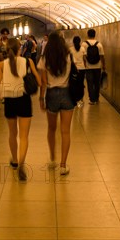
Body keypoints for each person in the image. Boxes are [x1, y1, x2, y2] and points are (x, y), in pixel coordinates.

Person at [0, 38, 40, 181]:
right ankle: (22, 163)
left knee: (12, 133)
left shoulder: (1, 65)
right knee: (24, 136)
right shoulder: (28, 62)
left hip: (9, 101)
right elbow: (39, 81)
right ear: (19, 49)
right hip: (24, 99)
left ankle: (15, 160)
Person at [37, 32, 75, 176]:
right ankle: (63, 165)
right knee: (65, 131)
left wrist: (41, 98)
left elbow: (44, 82)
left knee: (51, 129)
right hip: (67, 94)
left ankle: (53, 159)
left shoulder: (45, 58)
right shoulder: (68, 56)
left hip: (52, 94)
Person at [84, 29, 106, 105]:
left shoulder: (84, 44)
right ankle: (96, 99)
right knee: (97, 83)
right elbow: (102, 56)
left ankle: (92, 100)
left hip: (88, 67)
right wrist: (104, 65)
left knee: (90, 83)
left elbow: (83, 56)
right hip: (98, 67)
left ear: (88, 34)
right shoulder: (99, 44)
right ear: (95, 34)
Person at [69, 36, 87, 107]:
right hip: (82, 68)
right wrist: (85, 67)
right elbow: (84, 59)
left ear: (73, 42)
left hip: (73, 69)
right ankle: (81, 99)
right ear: (80, 41)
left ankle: (74, 98)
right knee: (81, 84)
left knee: (74, 84)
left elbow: (70, 60)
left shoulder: (70, 49)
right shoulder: (82, 48)